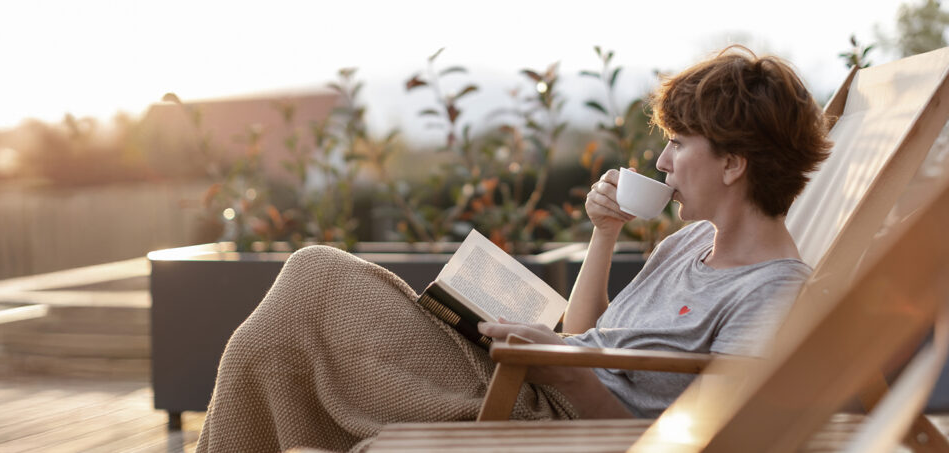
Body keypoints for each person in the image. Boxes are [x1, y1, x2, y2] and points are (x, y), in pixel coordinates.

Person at [195, 45, 832, 452]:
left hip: (554, 419)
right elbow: (587, 332)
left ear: (733, 166)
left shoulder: (772, 291)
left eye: (680, 144)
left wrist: (558, 369)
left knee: (311, 288)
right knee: (294, 312)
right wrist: (603, 236)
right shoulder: (691, 241)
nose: (662, 160)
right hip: (541, 376)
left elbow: (711, 439)